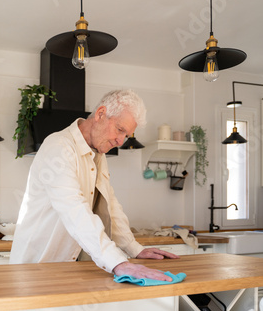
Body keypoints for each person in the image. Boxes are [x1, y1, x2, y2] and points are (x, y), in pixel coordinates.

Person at [10, 89, 179, 282]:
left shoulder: (98, 154)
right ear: (100, 114)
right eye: (120, 130)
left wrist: (134, 249)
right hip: (35, 268)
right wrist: (118, 263)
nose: (120, 141)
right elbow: (75, 211)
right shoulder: (59, 148)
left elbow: (110, 205)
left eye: (127, 135)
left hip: (66, 271)